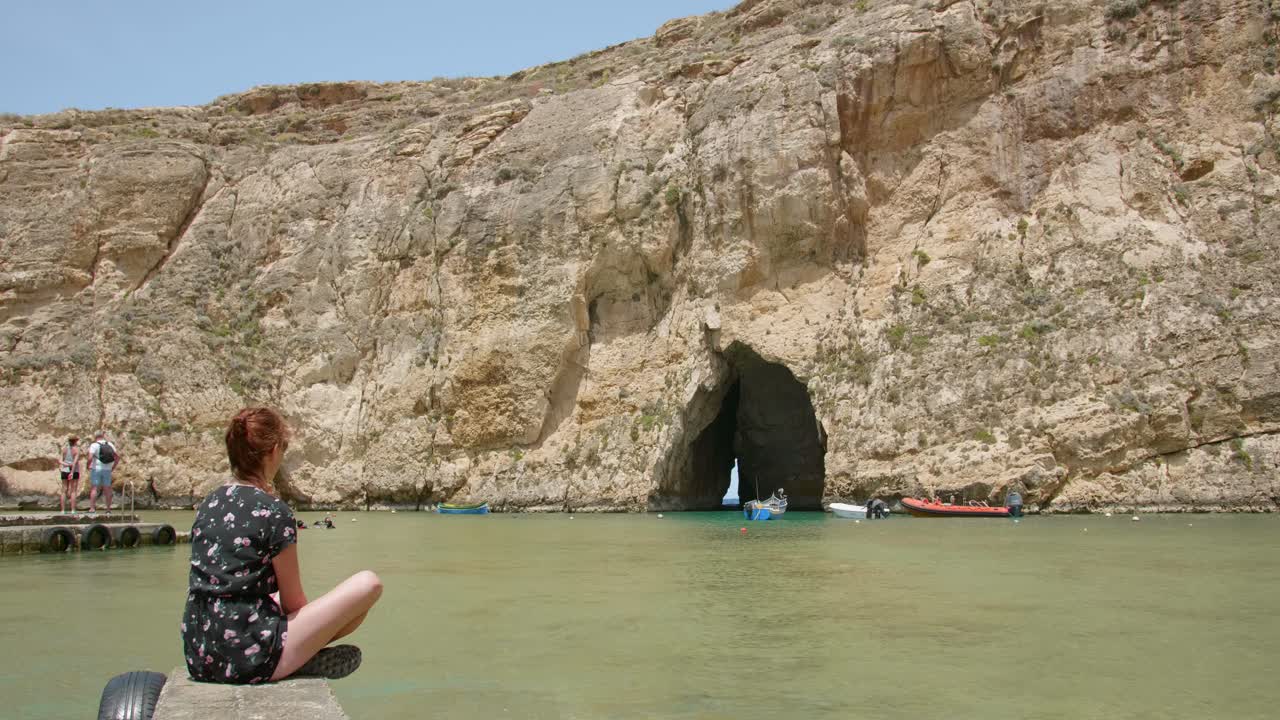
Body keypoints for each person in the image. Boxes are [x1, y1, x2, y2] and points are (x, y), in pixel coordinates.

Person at [181, 407, 383, 684]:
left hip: (199, 652)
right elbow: (294, 603)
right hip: (246, 657)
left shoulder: (209, 503)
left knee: (268, 601)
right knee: (368, 585)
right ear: (274, 450)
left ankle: (296, 653)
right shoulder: (274, 512)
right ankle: (297, 658)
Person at [86, 432, 121, 513]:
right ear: (103, 436)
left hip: (96, 468)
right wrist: (113, 467)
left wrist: (87, 465)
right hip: (107, 469)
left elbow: (90, 458)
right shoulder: (110, 444)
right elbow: (117, 457)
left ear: (95, 437)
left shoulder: (94, 445)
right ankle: (108, 509)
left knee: (94, 488)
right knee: (107, 489)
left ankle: (92, 508)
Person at [57, 437, 82, 514]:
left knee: (64, 490)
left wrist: (66, 464)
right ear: (75, 441)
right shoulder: (77, 450)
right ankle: (73, 510)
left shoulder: (64, 449)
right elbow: (75, 462)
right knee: (73, 491)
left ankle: (63, 510)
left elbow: (60, 460)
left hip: (65, 470)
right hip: (74, 471)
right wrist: (72, 472)